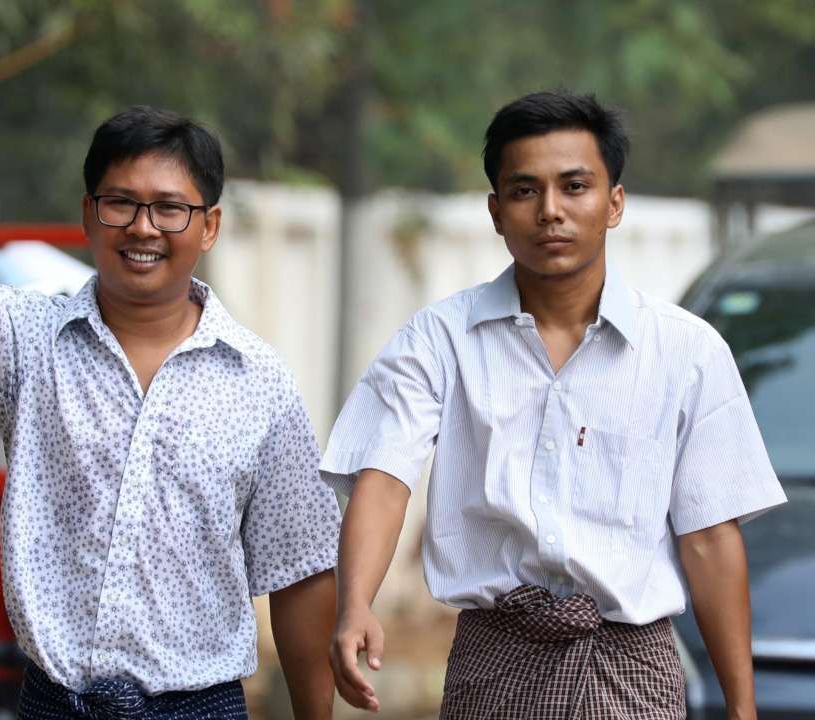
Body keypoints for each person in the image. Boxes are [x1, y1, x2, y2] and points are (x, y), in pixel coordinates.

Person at [0, 50, 341, 719]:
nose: (142, 227)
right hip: (54, 703)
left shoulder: (260, 384)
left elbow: (300, 573)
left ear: (209, 226)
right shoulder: (31, 341)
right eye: (121, 203)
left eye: (169, 209)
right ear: (88, 214)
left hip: (200, 707)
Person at [323, 91, 787, 718]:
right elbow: (384, 478)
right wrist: (356, 605)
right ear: (495, 211)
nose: (550, 212)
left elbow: (709, 538)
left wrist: (741, 706)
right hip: (493, 665)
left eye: (574, 186)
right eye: (524, 191)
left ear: (614, 203)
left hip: (632, 670)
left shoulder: (686, 351)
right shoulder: (439, 339)